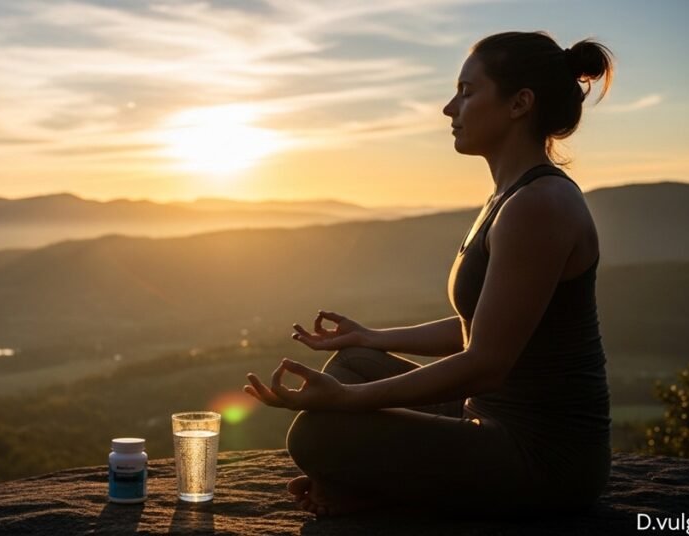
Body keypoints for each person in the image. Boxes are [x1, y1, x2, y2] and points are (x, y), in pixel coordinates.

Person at [243, 30, 616, 519]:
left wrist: (350, 403)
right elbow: (480, 327)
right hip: (486, 418)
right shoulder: (511, 197)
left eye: (466, 92)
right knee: (355, 360)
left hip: (543, 458)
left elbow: (485, 362)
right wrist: (373, 337)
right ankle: (358, 487)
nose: (448, 108)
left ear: (519, 104)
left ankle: (361, 492)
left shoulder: (540, 206)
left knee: (318, 432)